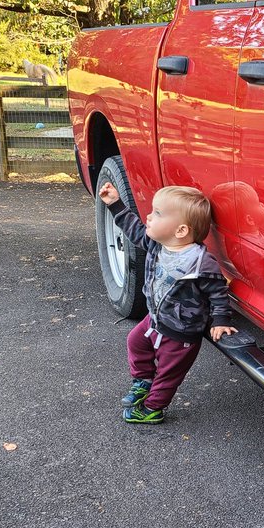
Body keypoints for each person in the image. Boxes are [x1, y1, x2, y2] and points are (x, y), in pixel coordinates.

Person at [96, 181, 237, 424]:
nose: (149, 217)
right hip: (155, 319)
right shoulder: (156, 245)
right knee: (135, 341)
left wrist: (221, 320)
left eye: (157, 213)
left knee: (168, 374)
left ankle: (153, 408)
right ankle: (143, 380)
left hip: (181, 332)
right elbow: (133, 228)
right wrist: (114, 204)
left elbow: (217, 292)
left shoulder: (199, 262)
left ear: (180, 231)